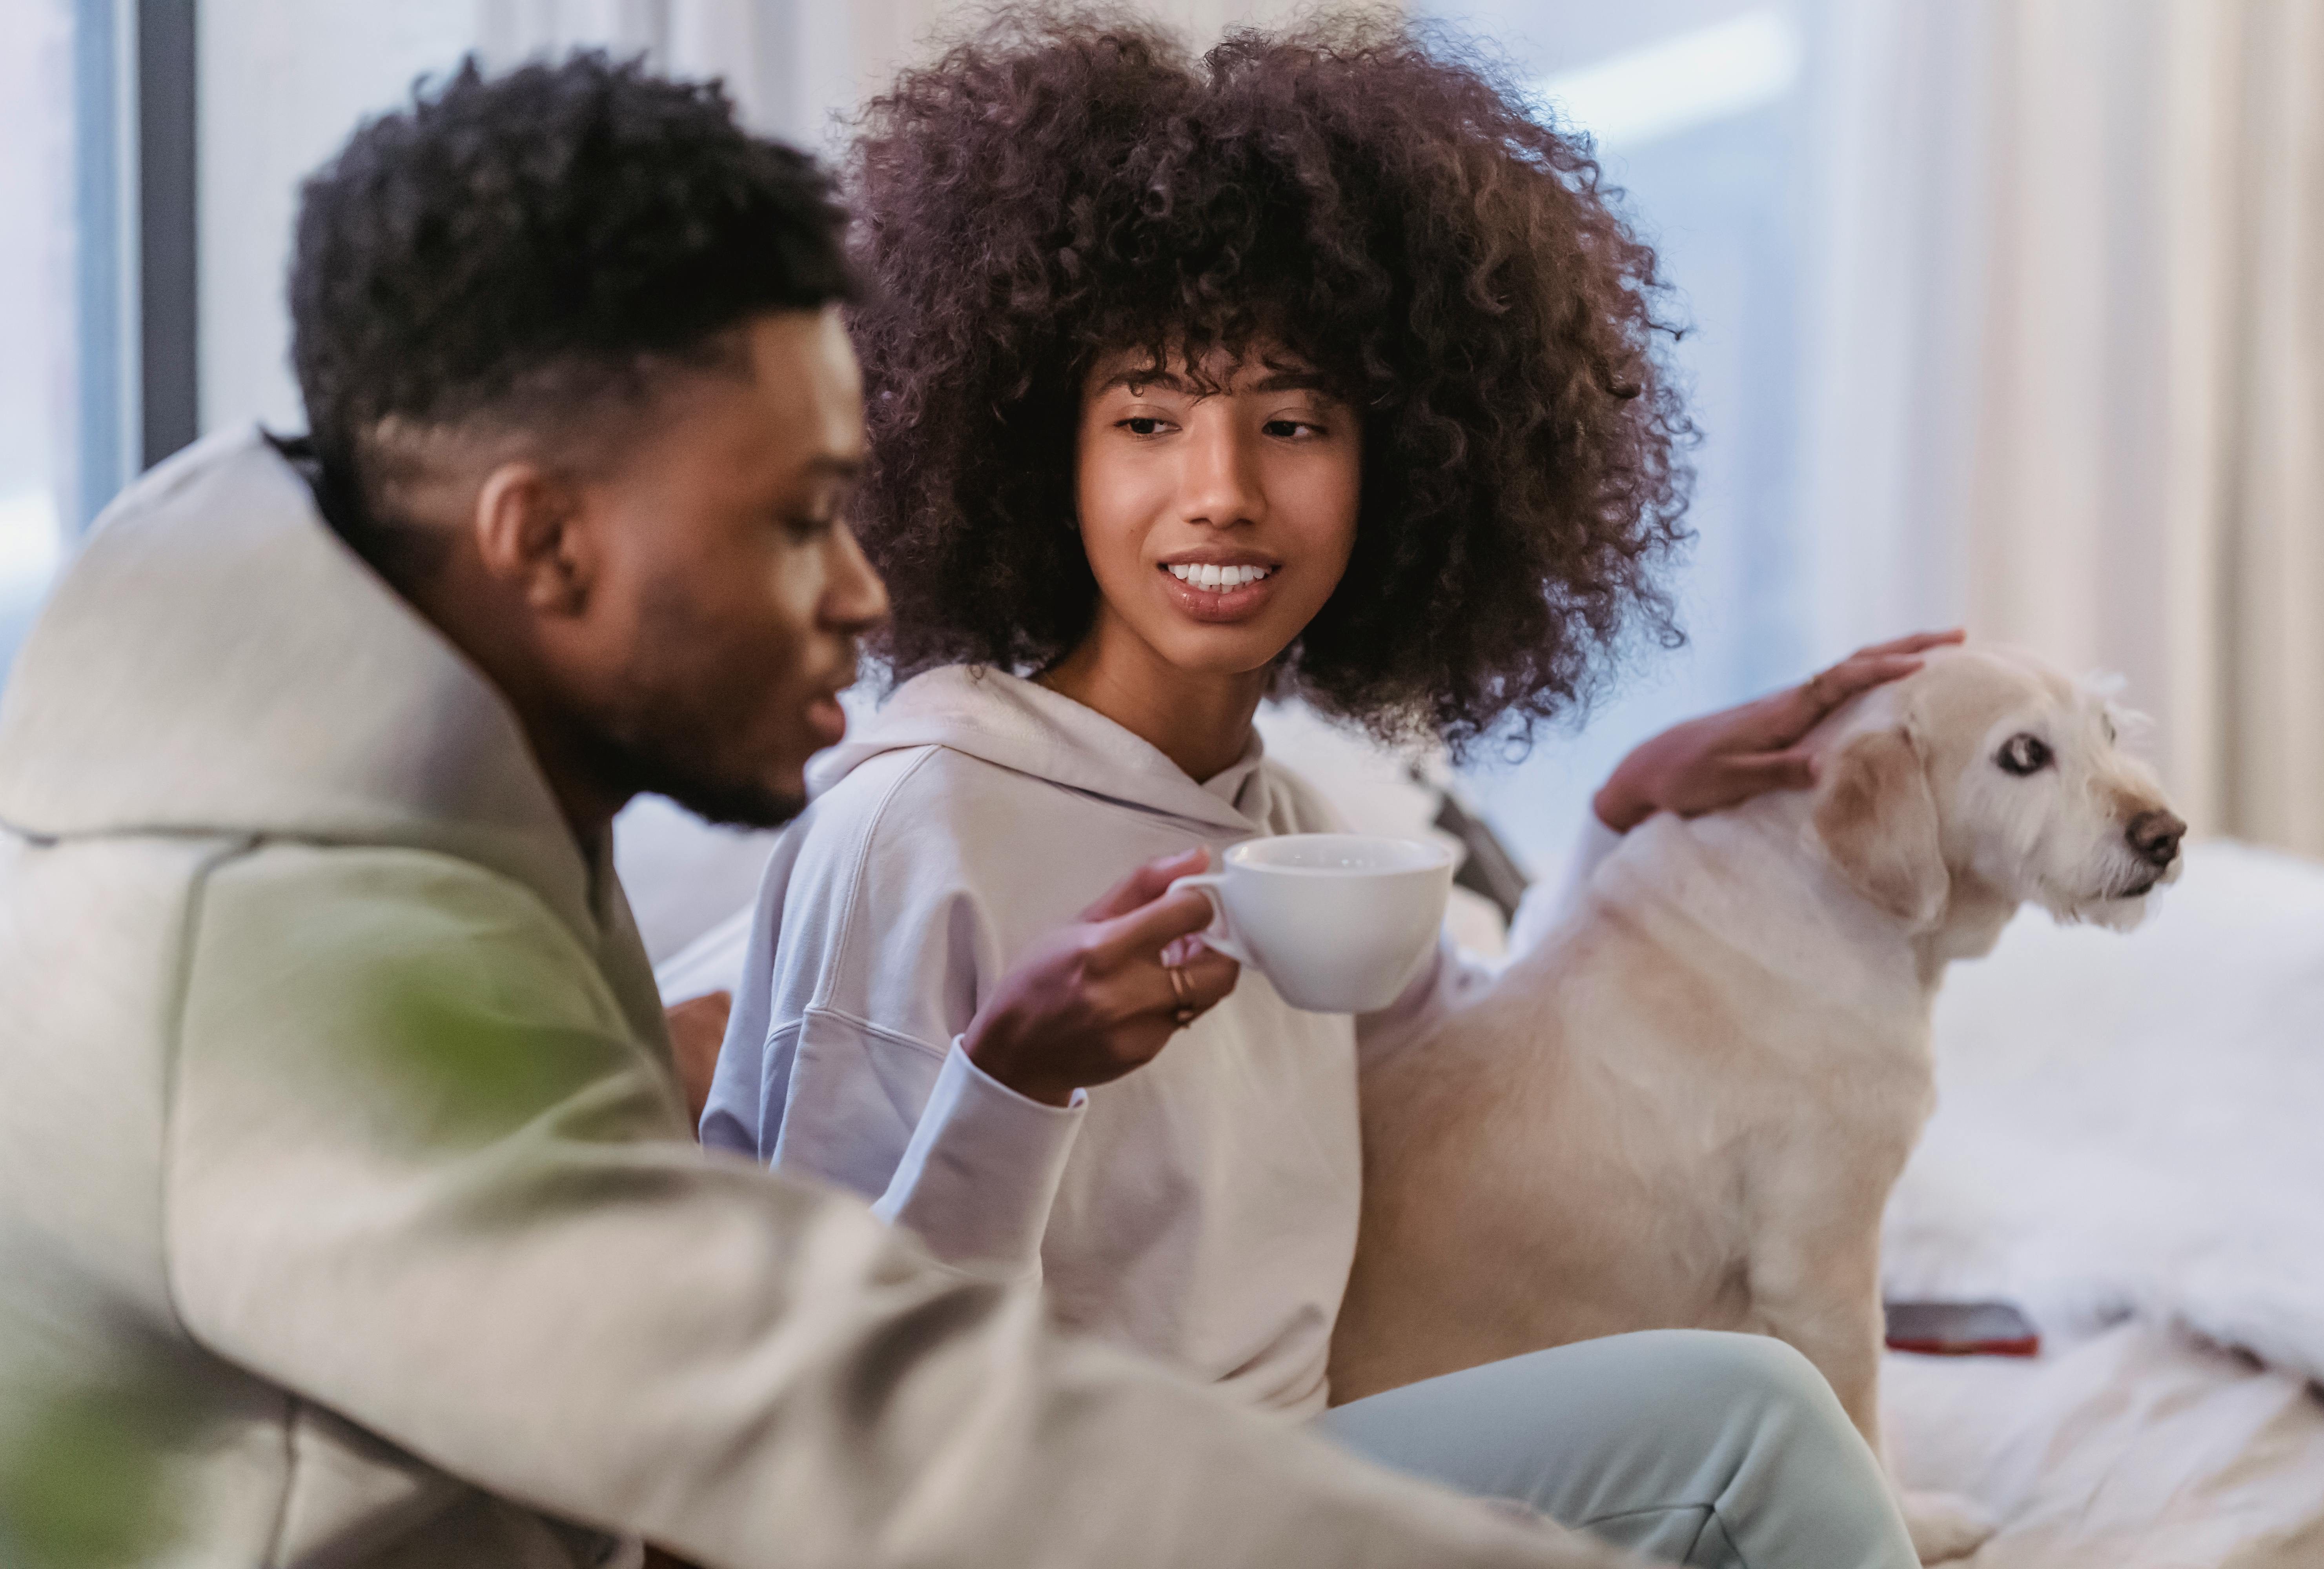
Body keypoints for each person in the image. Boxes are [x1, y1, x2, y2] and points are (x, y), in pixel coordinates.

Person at [0, 55, 1646, 1569]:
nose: (865, 591)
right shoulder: (281, 973)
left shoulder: (429, 800)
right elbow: (850, 1428)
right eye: (798, 521)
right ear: (546, 543)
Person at [705, 15, 1953, 1567]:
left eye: (1294, 423)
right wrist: (1014, 1081)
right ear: (1042, 455)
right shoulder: (928, 816)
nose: (1221, 485)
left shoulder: (1278, 821)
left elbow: (1475, 1082)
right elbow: (841, 1409)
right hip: (1057, 1512)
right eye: (1147, 419)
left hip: (1287, 1474)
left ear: (1407, 468)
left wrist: (1632, 817)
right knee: (1757, 1422)